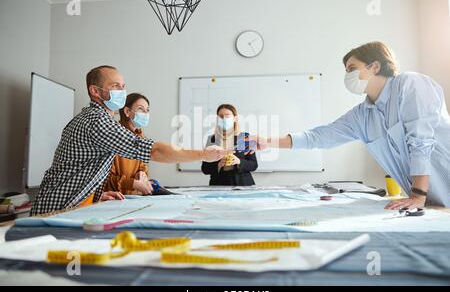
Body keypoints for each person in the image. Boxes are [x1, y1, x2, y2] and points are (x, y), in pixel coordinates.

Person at [249, 42, 450, 209]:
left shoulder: (409, 84)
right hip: (429, 203)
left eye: (352, 69)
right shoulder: (362, 115)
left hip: (426, 194)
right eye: (346, 71)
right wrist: (268, 142)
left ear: (375, 67)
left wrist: (418, 194)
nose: (348, 76)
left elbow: (421, 142)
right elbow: (319, 137)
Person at [31, 66, 227, 215]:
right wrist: (202, 154)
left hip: (77, 203)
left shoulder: (102, 119)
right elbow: (154, 151)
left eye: (123, 87)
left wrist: (97, 195)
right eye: (115, 86)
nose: (121, 92)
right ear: (95, 91)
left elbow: (86, 170)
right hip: (58, 207)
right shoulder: (96, 120)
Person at [104, 93, 172, 195]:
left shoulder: (140, 136)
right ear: (127, 111)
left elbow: (143, 166)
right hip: (109, 199)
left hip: (131, 198)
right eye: (141, 109)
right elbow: (104, 178)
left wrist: (142, 173)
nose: (145, 113)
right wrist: (133, 183)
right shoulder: (112, 136)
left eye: (147, 110)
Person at [202, 104, 258, 186]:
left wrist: (239, 162)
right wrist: (218, 165)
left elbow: (254, 165)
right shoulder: (212, 139)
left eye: (227, 116)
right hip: (218, 185)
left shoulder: (245, 137)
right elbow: (205, 169)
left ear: (235, 118)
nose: (224, 119)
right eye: (221, 116)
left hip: (242, 184)